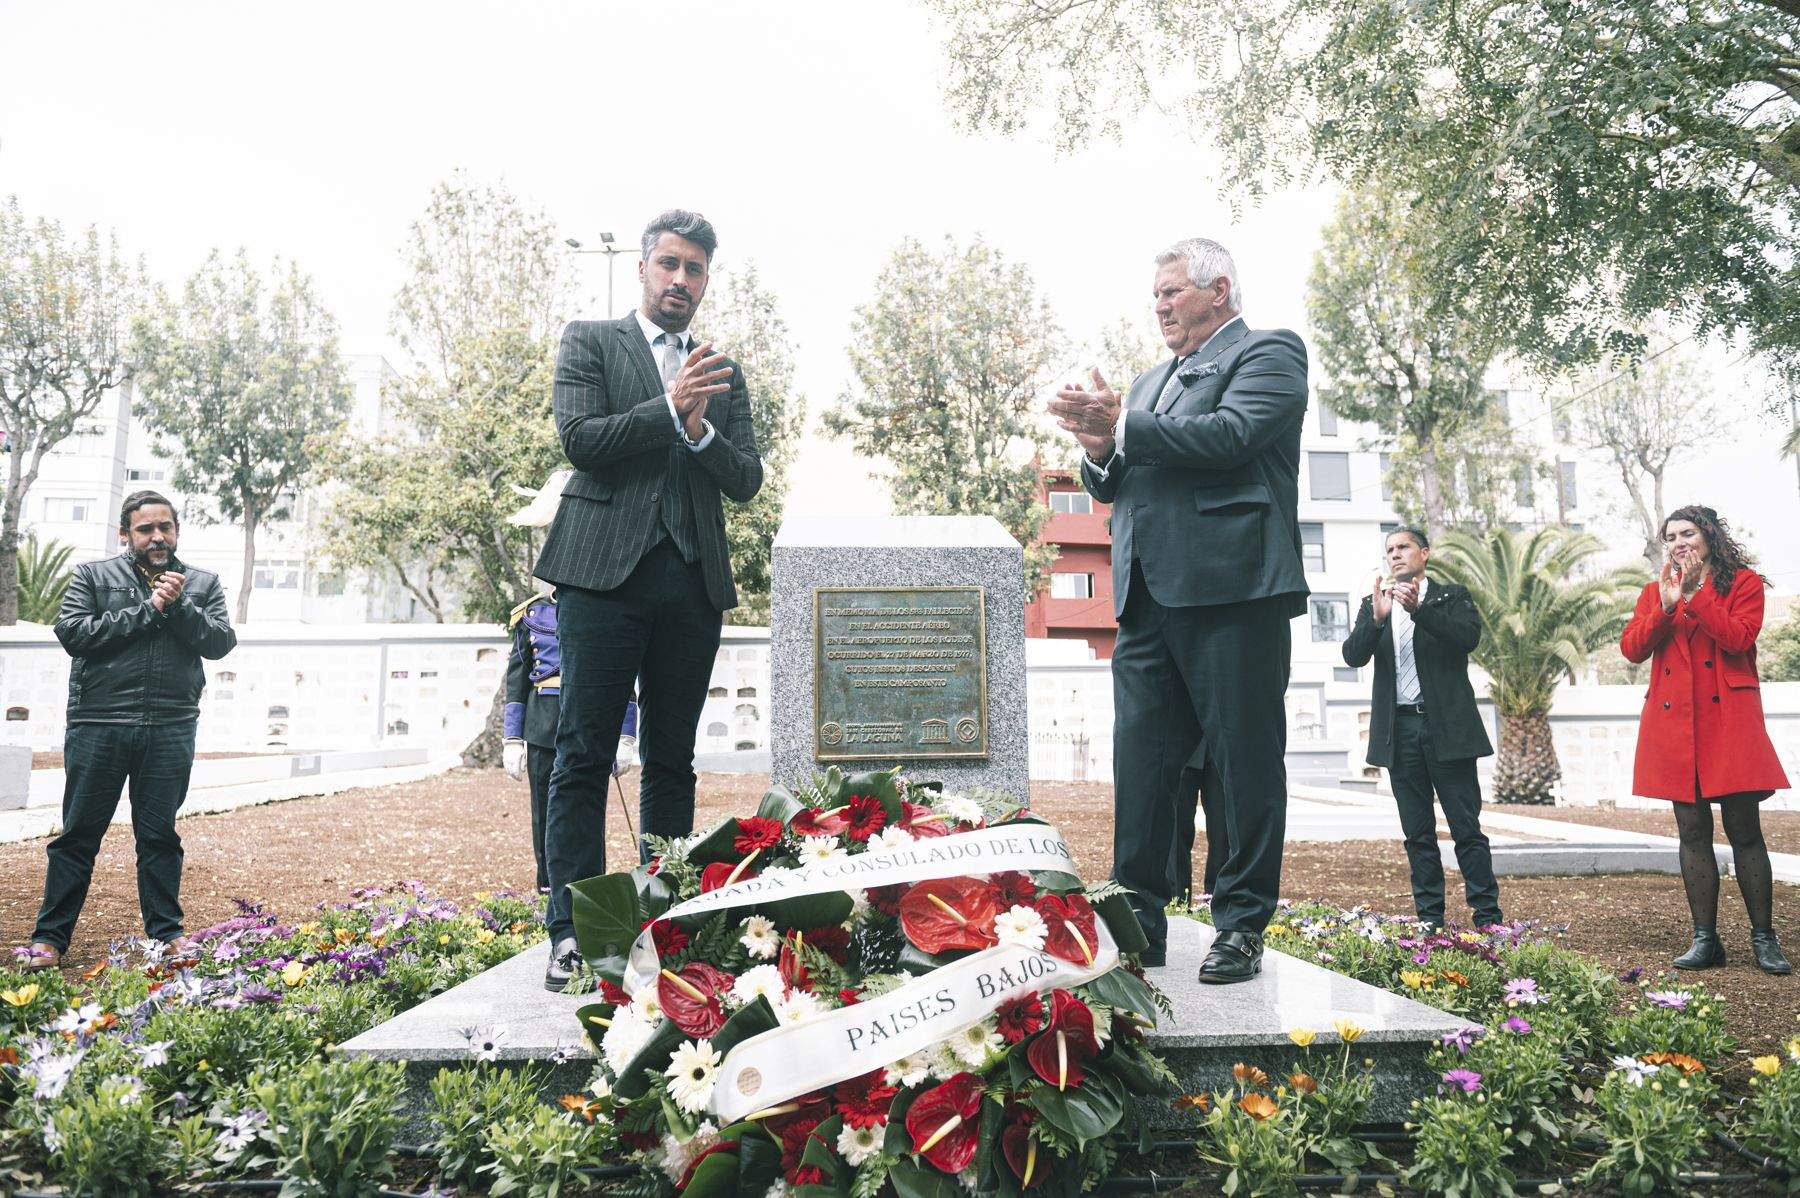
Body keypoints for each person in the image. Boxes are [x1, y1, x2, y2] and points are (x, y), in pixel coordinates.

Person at [1049, 236, 1308, 984]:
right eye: (1155, 295)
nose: (1159, 306)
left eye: (1172, 292)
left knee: (1242, 762)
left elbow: (1230, 437)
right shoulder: (1149, 381)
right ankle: (1137, 921)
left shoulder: (1268, 354)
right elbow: (1111, 482)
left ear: (1218, 290)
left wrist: (1122, 422)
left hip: (1234, 591)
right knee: (1144, 765)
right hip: (1146, 598)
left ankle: (1242, 923)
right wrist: (1099, 439)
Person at [532, 210, 763, 990]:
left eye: (695, 270)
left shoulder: (721, 368)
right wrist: (667, 413)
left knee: (672, 760)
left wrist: (700, 433)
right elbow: (581, 440)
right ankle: (574, 931)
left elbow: (746, 479)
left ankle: (663, 924)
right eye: (669, 264)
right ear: (642, 268)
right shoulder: (591, 341)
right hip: (600, 577)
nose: (681, 281)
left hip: (690, 581)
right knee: (582, 753)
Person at [16, 491, 236, 970]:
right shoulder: (94, 576)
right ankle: (49, 940)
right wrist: (149, 608)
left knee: (159, 837)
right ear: (125, 534)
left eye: (166, 527)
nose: (157, 537)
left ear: (176, 531)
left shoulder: (201, 582)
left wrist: (178, 606)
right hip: (100, 725)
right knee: (77, 837)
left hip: (171, 728)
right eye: (145, 529)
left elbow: (220, 643)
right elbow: (73, 634)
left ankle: (168, 936)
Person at [1620, 505, 1790, 975]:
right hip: (1676, 726)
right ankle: (1705, 939)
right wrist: (1669, 605)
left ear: (1709, 536)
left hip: (1728, 723)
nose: (1678, 543)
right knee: (1691, 832)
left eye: (1687, 533)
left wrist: (1695, 596)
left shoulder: (1744, 584)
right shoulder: (1655, 592)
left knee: (1745, 831)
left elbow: (1738, 638)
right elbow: (1632, 648)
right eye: (1670, 536)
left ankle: (1764, 938)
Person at [1341, 526, 1502, 929]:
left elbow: (1467, 638)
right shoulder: (1374, 603)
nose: (1395, 554)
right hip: (1401, 731)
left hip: (1447, 728)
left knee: (1466, 828)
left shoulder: (1452, 596)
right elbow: (1353, 656)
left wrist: (1420, 611)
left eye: (1404, 547)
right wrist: (1376, 622)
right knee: (1417, 833)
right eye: (1390, 549)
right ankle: (1430, 919)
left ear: (1424, 553)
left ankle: (1488, 918)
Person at [502, 472, 638, 894]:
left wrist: (626, 736)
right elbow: (517, 680)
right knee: (544, 811)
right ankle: (549, 887)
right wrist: (511, 739)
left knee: (588, 808)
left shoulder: (610, 611)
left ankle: (590, 887)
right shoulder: (531, 615)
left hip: (592, 718)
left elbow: (624, 679)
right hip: (543, 725)